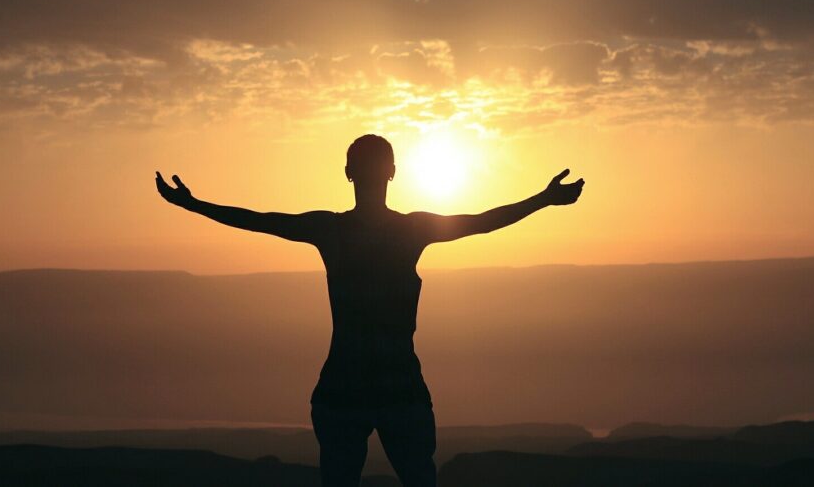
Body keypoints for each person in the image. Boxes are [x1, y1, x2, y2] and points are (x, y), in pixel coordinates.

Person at [156, 133, 585, 487]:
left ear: (348, 173)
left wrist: (194, 205)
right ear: (393, 173)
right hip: (394, 388)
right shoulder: (407, 230)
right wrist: (542, 200)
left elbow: (260, 219)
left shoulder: (332, 229)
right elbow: (482, 220)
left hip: (348, 388)